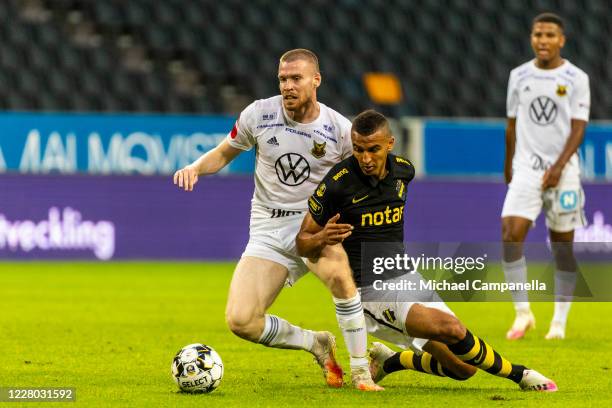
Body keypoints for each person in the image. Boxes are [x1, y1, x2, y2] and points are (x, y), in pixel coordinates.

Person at [296, 109, 557, 392]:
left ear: (390, 144)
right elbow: (302, 241)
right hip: (371, 291)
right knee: (452, 329)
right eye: (358, 149)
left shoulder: (403, 171)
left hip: (408, 278)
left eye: (373, 149)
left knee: (463, 368)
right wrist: (322, 236)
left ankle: (389, 362)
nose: (366, 158)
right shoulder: (338, 182)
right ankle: (520, 374)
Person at [173, 49, 381, 390]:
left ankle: (361, 372)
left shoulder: (339, 130)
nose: (288, 86)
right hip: (268, 229)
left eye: (296, 78)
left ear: (316, 80)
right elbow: (225, 151)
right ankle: (314, 342)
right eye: (283, 79)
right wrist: (196, 167)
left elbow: (362, 179)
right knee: (241, 320)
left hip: (313, 226)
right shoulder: (259, 113)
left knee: (342, 281)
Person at [502, 13, 590, 340]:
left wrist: (558, 167)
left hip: (564, 171)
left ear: (561, 40)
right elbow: (511, 124)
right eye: (538, 34)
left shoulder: (576, 77)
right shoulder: (519, 75)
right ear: (531, 37)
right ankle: (523, 313)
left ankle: (559, 322)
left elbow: (579, 127)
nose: (543, 40)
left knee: (562, 246)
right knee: (510, 233)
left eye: (550, 35)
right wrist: (508, 165)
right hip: (526, 167)